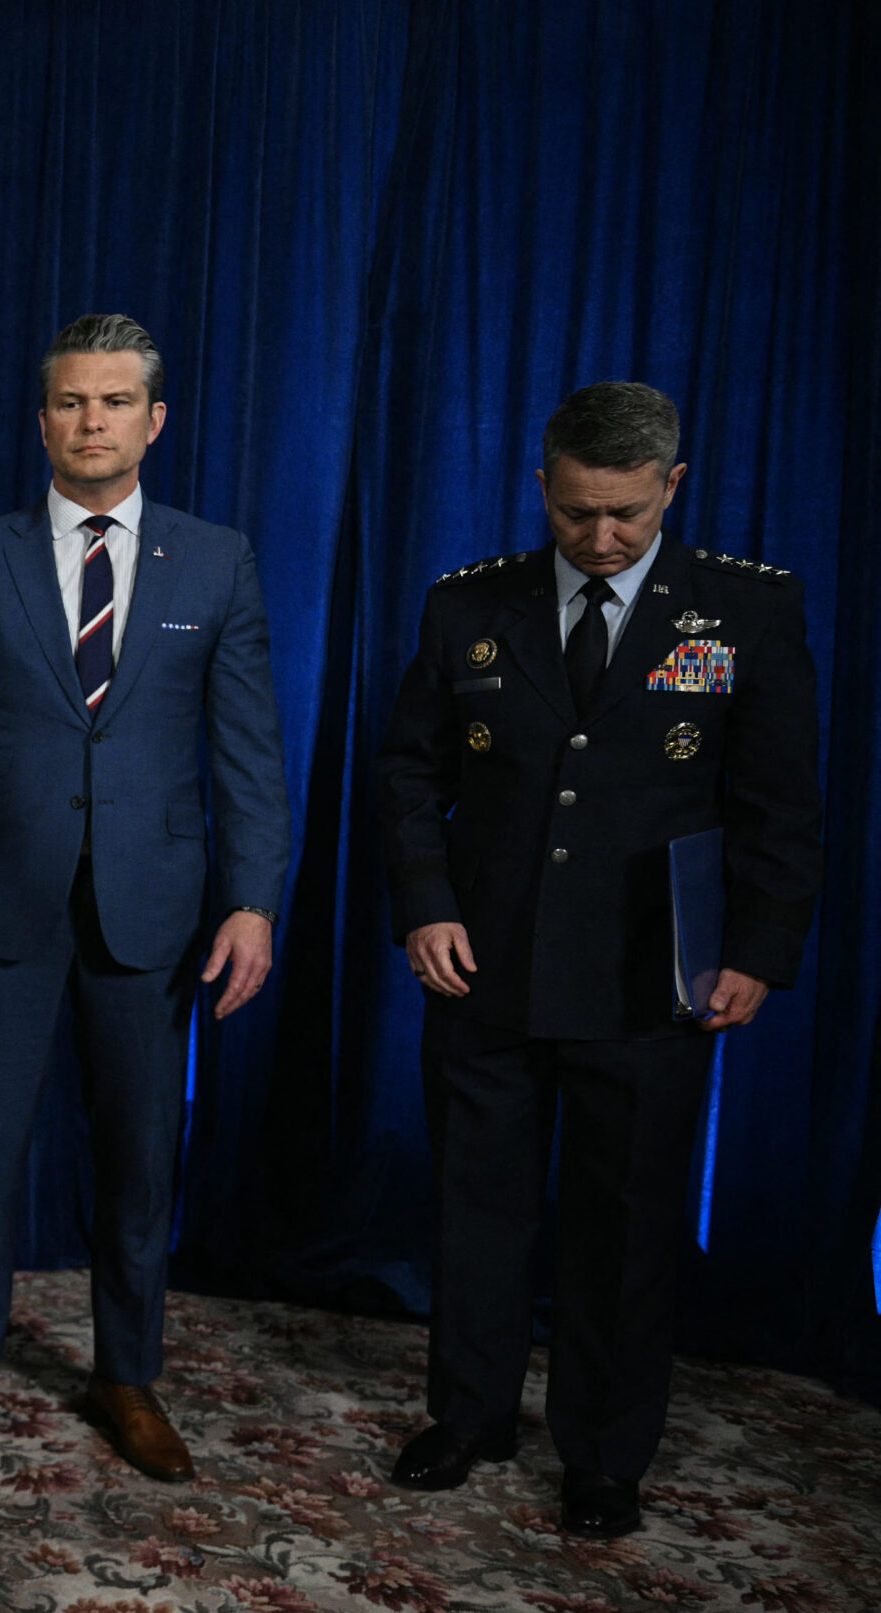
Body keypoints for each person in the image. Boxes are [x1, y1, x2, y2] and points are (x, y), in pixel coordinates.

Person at [374, 381, 821, 1539]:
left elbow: (779, 801)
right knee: (476, 1206)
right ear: (541, 486)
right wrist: (424, 907)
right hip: (486, 965)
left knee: (623, 1226)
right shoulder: (468, 603)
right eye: (576, 512)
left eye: (626, 512)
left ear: (673, 485)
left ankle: (605, 1455)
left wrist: (757, 950)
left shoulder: (745, 609)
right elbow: (409, 773)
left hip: (649, 975)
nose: (602, 536)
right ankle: (468, 1414)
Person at [0, 315, 291, 1479]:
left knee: (140, 1156)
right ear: (42, 420)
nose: (91, 421)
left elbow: (248, 751)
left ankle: (127, 1372)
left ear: (153, 421)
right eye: (70, 401)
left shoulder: (215, 561)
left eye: (114, 401)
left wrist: (252, 901)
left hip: (150, 907)